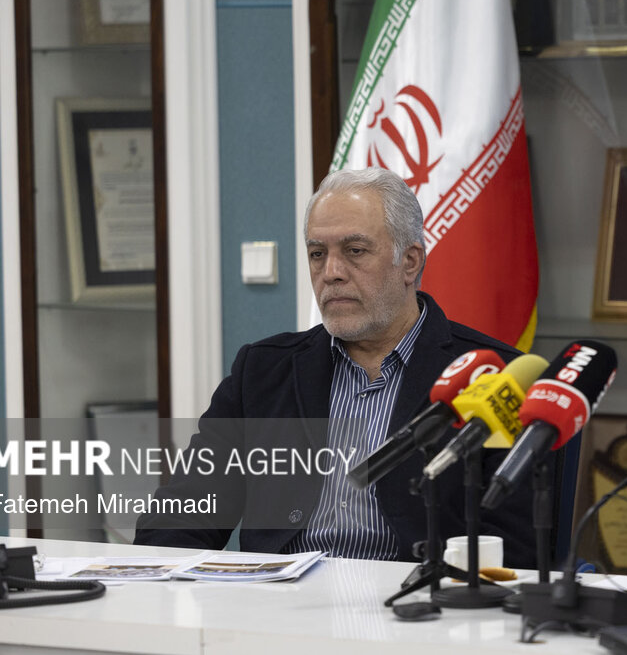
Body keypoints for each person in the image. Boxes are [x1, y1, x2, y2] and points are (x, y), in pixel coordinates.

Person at [135, 167, 537, 566]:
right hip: (278, 597)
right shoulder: (262, 371)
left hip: (416, 596)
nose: (331, 273)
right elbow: (183, 514)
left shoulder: (493, 377)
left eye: (355, 251)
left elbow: (518, 549)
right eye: (317, 254)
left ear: (410, 261)